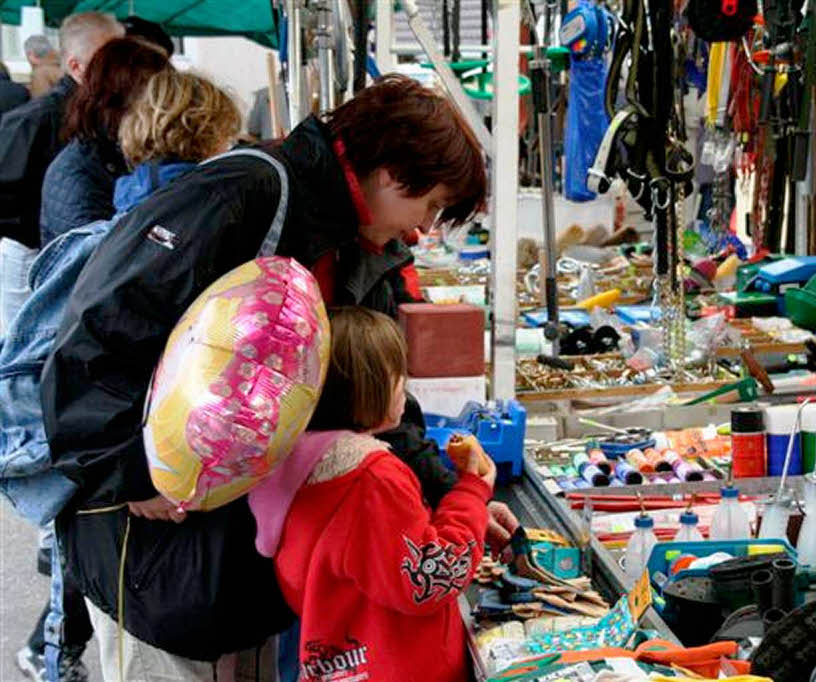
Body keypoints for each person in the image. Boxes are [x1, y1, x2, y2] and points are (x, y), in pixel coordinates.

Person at [42, 74, 517, 672]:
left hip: (247, 562)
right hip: (156, 553)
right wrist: (132, 471)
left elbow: (370, 400)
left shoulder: (357, 246)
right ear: (394, 173)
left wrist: (442, 488)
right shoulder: (244, 194)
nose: (422, 229)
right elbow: (99, 333)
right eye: (431, 206)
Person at [2, 68, 240, 682]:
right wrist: (135, 473)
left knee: (124, 649)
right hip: (153, 494)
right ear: (217, 137)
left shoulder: (121, 214)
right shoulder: (196, 230)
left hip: (100, 500)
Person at [250, 306, 495, 681]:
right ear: (368, 387)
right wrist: (472, 493)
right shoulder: (371, 479)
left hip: (342, 662)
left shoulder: (293, 467)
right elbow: (429, 578)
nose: (405, 387)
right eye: (398, 375)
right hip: (398, 667)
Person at [0, 11, 122, 330]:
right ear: (75, 66)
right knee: (27, 355)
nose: (122, 67)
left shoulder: (105, 111)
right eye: (107, 59)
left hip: (73, 254)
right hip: (31, 254)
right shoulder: (34, 120)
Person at [39, 37, 170, 246]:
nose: (164, 109)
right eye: (155, 97)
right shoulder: (78, 171)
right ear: (120, 98)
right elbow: (92, 264)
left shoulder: (127, 154)